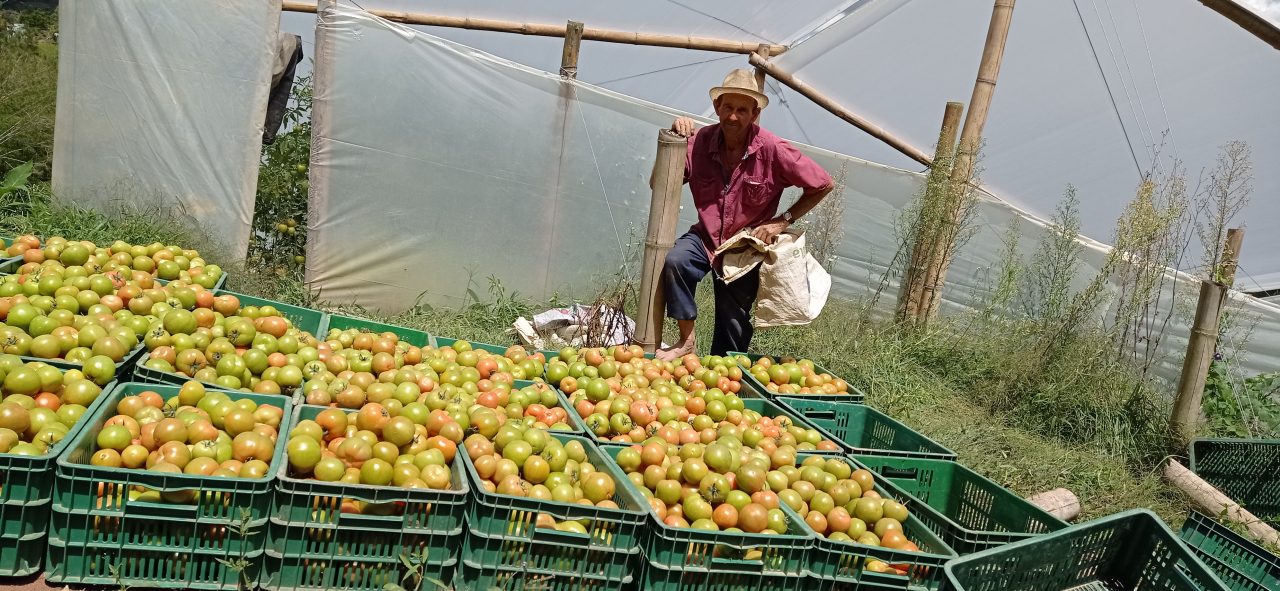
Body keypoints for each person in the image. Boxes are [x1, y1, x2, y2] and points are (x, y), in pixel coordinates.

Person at [655, 69, 834, 361]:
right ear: (717, 108)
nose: (733, 117)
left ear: (755, 113)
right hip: (705, 237)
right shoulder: (698, 141)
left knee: (732, 325)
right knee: (677, 262)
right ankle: (686, 342)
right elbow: (659, 184)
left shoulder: (773, 149)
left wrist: (781, 221)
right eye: (727, 108)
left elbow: (823, 183)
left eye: (742, 110)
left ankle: (722, 378)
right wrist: (672, 141)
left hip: (744, 247)